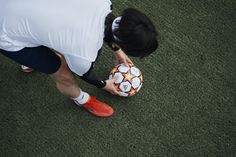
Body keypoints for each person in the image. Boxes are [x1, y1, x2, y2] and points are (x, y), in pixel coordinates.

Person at [0, 0, 158, 117]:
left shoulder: (103, 2)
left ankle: (29, 57)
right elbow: (86, 74)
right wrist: (104, 85)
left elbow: (109, 21)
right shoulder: (84, 53)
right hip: (5, 33)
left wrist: (117, 49)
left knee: (51, 37)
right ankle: (82, 99)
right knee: (63, 73)